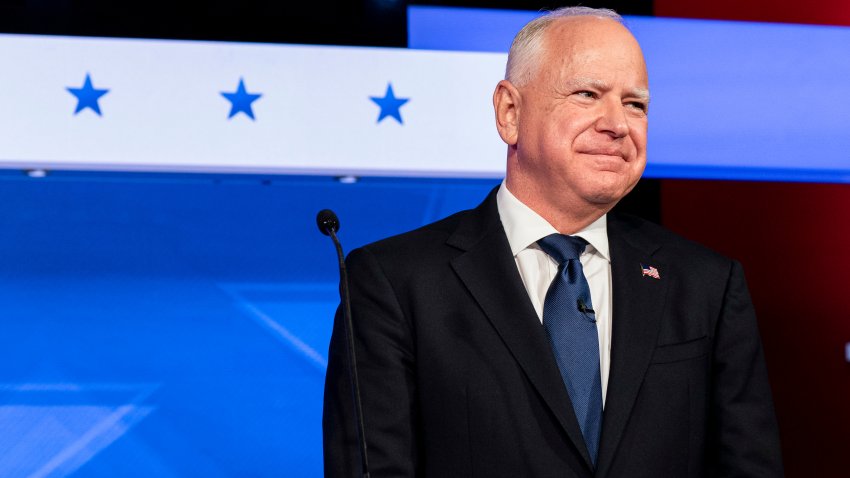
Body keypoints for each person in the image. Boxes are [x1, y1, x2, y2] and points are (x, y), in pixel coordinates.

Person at [323, 6, 783, 477]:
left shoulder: (706, 284)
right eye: (587, 94)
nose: (618, 124)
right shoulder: (395, 284)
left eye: (635, 104)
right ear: (509, 113)